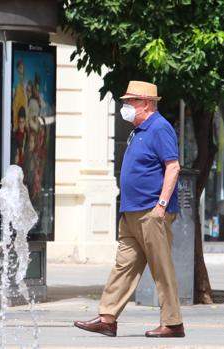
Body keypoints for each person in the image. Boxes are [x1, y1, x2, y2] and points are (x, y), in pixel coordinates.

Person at [74, 80, 184, 338]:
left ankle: (173, 323)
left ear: (145, 104)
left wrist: (162, 206)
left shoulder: (159, 128)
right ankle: (107, 318)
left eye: (130, 102)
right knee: (123, 265)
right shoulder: (138, 130)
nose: (125, 106)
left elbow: (173, 167)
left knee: (161, 268)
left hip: (151, 211)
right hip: (132, 211)